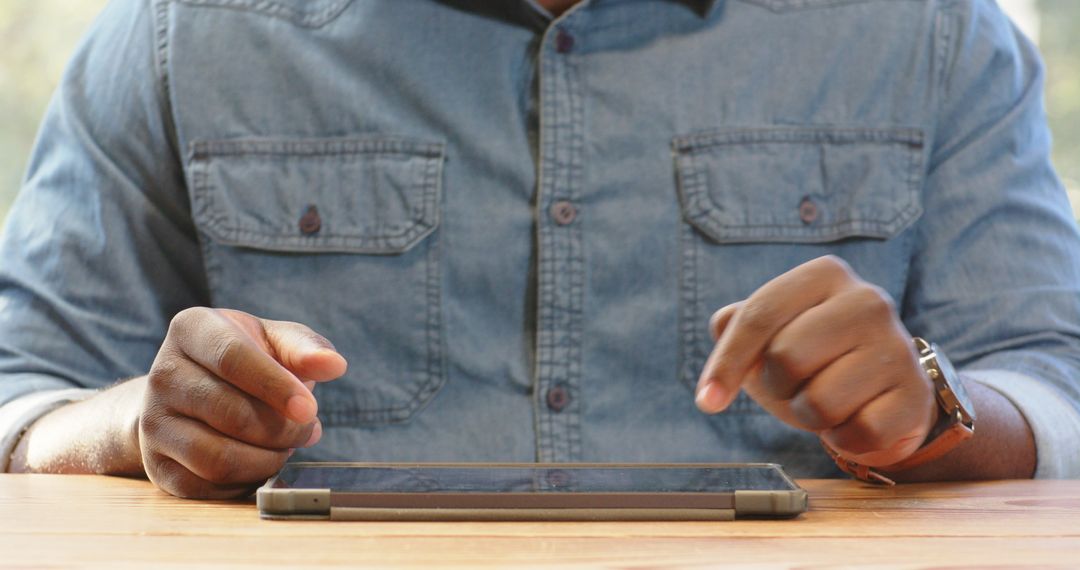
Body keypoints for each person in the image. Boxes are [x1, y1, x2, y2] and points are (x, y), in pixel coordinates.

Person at [1, 0, 1078, 499]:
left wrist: (932, 413)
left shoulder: (930, 33)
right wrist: (135, 426)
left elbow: (1057, 388)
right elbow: (19, 396)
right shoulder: (179, 34)